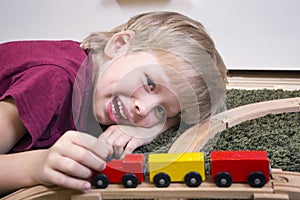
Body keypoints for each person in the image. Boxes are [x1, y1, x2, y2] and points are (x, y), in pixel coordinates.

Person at [0, 11, 227, 194]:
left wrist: (153, 127)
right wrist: (36, 166)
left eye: (161, 110)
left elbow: (182, 116)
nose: (144, 108)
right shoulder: (51, 83)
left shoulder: (99, 76)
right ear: (119, 45)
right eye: (149, 84)